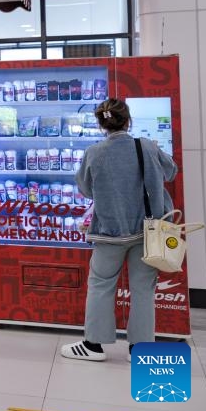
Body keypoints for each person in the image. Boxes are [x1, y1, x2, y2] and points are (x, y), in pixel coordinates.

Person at [60, 98, 176, 362]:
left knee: (101, 285)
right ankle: (140, 349)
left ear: (102, 124)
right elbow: (171, 172)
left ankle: (93, 345)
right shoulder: (146, 146)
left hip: (108, 232)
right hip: (146, 232)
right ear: (129, 120)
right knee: (143, 289)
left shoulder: (94, 153)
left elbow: (86, 189)